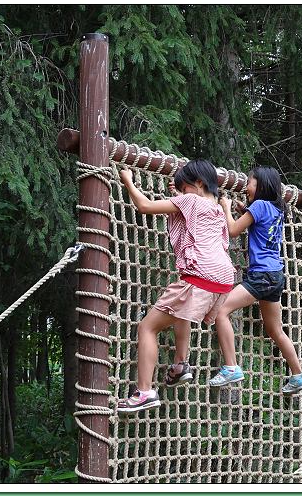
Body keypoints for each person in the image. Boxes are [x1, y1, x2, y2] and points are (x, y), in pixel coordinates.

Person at [117, 159, 236, 413]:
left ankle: (145, 392)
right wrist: (181, 193)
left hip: (200, 276)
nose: (181, 194)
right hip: (223, 280)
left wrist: (127, 179)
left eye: (185, 188)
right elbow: (190, 215)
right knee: (182, 310)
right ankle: (181, 363)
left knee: (147, 328)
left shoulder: (190, 201)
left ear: (200, 183)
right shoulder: (216, 209)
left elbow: (145, 205)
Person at [210, 167, 302, 395]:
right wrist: (245, 210)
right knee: (275, 329)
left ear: (262, 186)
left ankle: (231, 366)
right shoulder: (276, 208)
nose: (246, 187)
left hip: (261, 275)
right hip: (276, 276)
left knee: (220, 311)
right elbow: (261, 227)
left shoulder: (259, 206)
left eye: (250, 183)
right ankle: (298, 374)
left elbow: (233, 230)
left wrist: (226, 208)